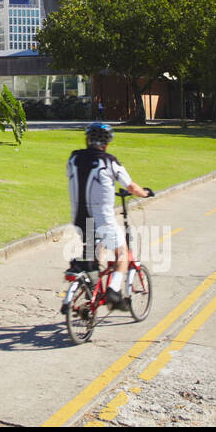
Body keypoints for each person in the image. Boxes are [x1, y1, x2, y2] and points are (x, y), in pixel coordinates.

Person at [66, 122, 149, 310]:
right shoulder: (109, 161)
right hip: (103, 219)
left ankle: (92, 285)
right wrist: (144, 193)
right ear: (107, 143)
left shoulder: (73, 158)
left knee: (96, 245)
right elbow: (130, 186)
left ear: (87, 140)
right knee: (122, 254)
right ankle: (112, 290)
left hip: (78, 219)